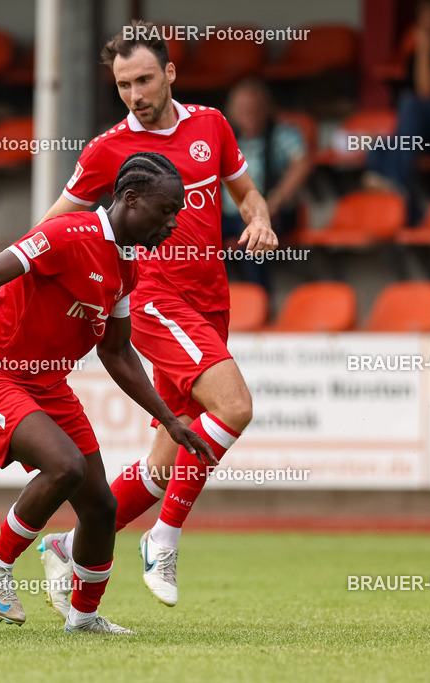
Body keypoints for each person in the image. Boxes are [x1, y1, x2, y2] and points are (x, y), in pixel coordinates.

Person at [35, 20, 277, 611]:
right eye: (123, 85)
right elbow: (54, 224)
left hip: (211, 301)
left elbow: (246, 192)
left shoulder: (211, 126)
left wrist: (260, 218)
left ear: (170, 73)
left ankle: (67, 546)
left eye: (144, 79)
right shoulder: (107, 150)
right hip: (153, 299)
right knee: (236, 408)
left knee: (168, 463)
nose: (135, 95)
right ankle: (163, 537)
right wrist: (20, 278)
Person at [0, 152, 214, 635]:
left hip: (46, 384)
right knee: (65, 466)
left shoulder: (128, 266)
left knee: (101, 507)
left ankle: (83, 618)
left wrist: (170, 420)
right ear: (131, 200)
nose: (173, 224)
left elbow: (117, 352)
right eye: (167, 210)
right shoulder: (69, 233)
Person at [222, 79, 311, 292]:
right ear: (232, 111)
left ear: (267, 110)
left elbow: (302, 163)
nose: (250, 114)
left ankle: (260, 301)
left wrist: (277, 199)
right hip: (228, 214)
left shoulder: (282, 134)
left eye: (255, 109)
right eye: (243, 110)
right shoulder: (226, 137)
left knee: (254, 233)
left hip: (273, 211)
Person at [365, 0, 430, 224]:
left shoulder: (425, 46)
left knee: (411, 103)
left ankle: (397, 183)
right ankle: (410, 213)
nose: (426, 19)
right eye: (423, 12)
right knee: (378, 147)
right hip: (424, 137)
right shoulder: (419, 49)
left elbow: (426, 91)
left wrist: (426, 47)